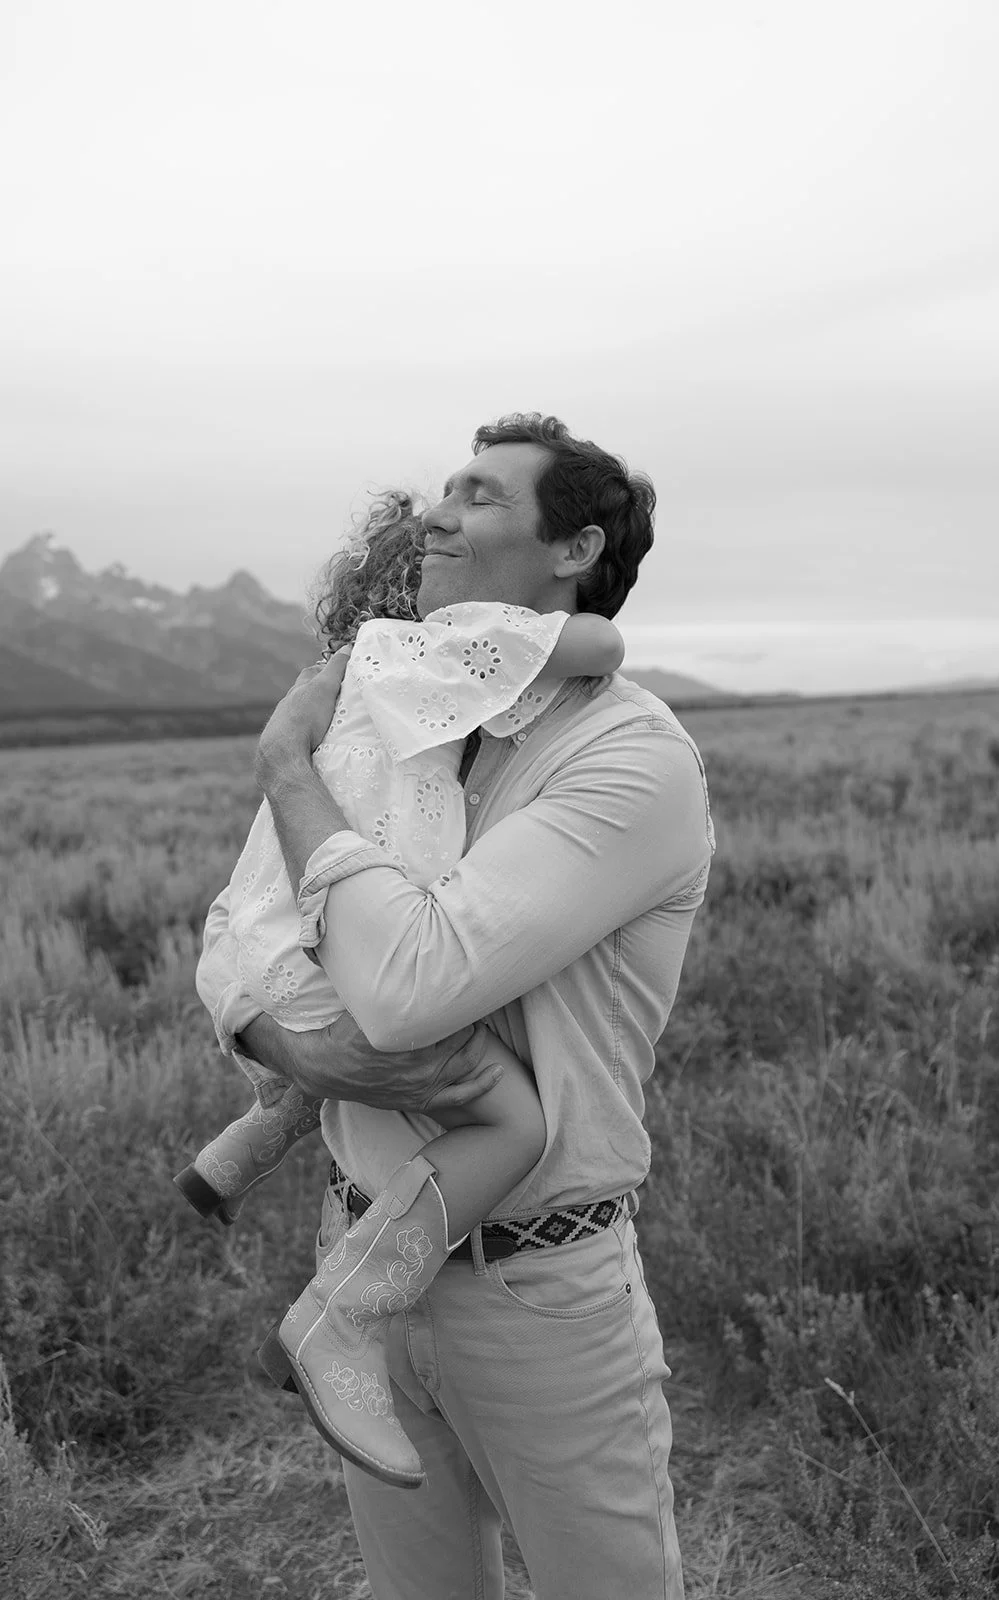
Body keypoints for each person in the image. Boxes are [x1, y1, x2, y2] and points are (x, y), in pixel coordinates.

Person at [195, 413, 715, 1600]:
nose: (437, 511)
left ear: (572, 547)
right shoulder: (410, 717)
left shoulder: (628, 761)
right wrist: (286, 1042)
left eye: (478, 495)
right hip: (362, 1241)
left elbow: (407, 986)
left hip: (536, 1290)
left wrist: (282, 767)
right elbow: (237, 929)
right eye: (442, 487)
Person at [180, 489, 624, 1485]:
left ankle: (237, 1149)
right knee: (511, 1120)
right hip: (341, 959)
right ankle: (343, 1318)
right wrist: (542, 614)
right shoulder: (414, 659)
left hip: (262, 950)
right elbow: (598, 646)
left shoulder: (330, 683)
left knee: (320, 1041)